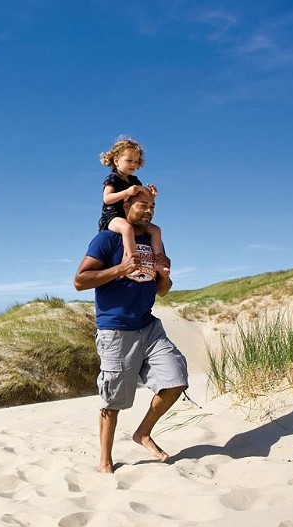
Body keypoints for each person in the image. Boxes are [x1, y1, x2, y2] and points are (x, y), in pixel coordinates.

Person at [74, 186, 188, 473]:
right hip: (116, 331)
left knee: (176, 379)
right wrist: (119, 269)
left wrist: (164, 275)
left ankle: (143, 433)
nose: (149, 211)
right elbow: (79, 280)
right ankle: (105, 460)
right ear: (126, 206)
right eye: (142, 205)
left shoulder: (153, 241)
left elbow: (163, 290)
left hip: (148, 326)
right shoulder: (107, 239)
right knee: (113, 400)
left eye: (152, 206)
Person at [98, 136, 168, 280]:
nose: (133, 164)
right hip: (112, 217)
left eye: (136, 161)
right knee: (127, 229)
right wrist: (127, 192)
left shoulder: (135, 180)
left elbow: (139, 201)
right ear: (116, 160)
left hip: (129, 216)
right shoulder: (112, 178)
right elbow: (107, 198)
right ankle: (131, 262)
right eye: (129, 160)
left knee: (155, 230)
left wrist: (151, 196)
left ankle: (159, 261)